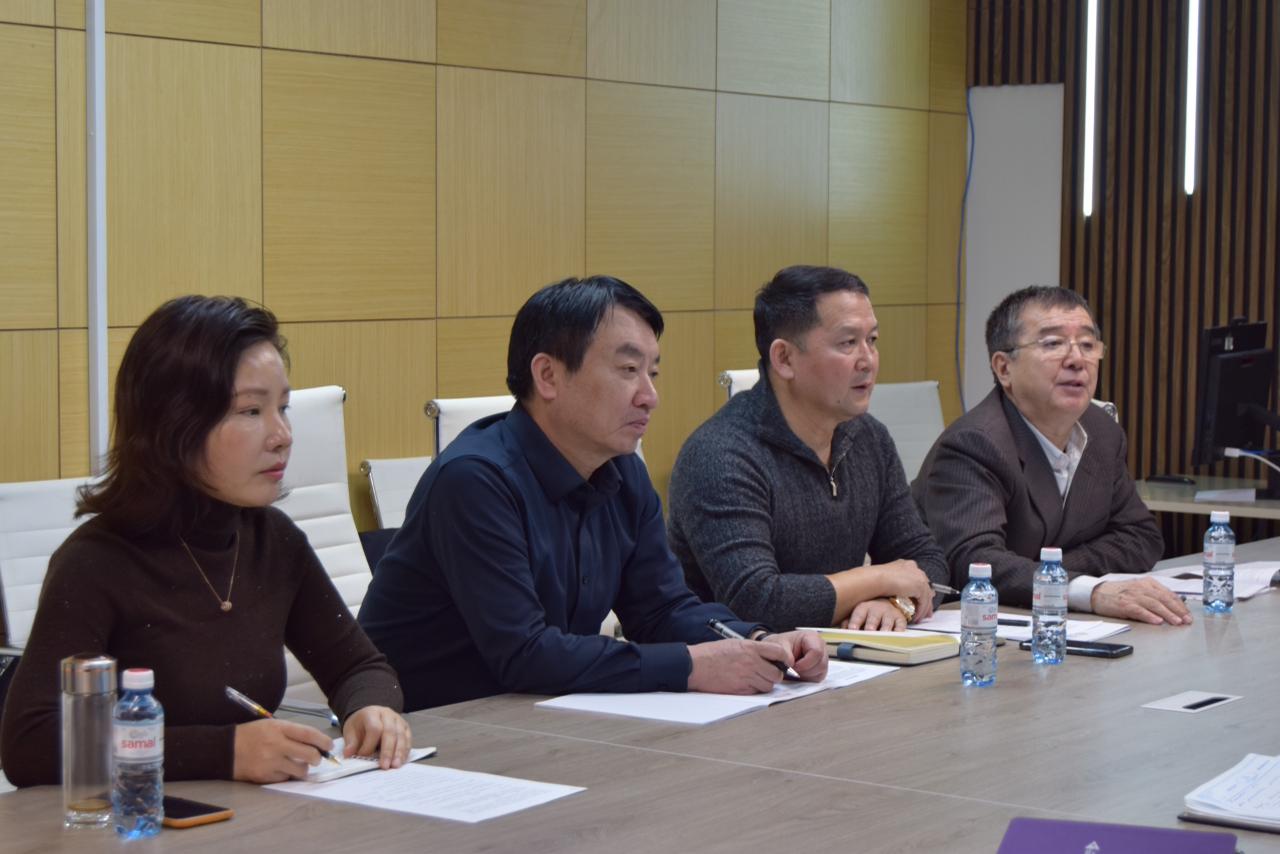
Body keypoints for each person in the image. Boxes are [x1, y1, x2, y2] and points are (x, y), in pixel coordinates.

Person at [358, 276, 827, 711]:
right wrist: (690, 666)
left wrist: (758, 639)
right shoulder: (475, 480)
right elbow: (524, 653)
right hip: (433, 729)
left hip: (544, 717)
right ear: (548, 376)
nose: (649, 396)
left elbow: (661, 609)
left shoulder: (622, 472)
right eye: (628, 369)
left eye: (652, 373)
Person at [0, 296, 412, 787]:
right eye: (252, 410)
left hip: (257, 816)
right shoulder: (96, 562)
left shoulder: (274, 541)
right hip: (141, 820)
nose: (282, 435)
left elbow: (358, 666)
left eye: (283, 407)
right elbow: (30, 742)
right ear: (175, 424)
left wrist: (370, 708)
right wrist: (225, 752)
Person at [667, 265, 949, 632]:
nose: (868, 360)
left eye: (872, 340)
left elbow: (925, 560)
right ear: (784, 359)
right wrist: (879, 578)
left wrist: (894, 603)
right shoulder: (721, 455)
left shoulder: (869, 439)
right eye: (848, 343)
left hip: (842, 655)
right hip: (736, 659)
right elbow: (757, 601)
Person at [911, 285, 1192, 625]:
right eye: (1053, 344)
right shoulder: (974, 443)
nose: (1077, 360)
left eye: (1087, 345)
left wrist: (1050, 571)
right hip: (975, 630)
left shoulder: (1102, 433)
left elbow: (1141, 538)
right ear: (1004, 368)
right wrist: (1086, 590)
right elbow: (976, 563)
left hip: (1057, 624)